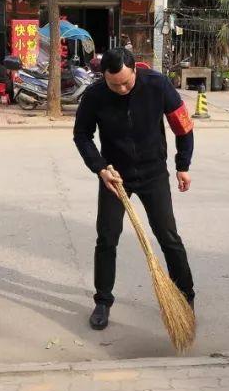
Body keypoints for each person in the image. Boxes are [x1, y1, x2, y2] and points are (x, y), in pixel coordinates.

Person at [73, 48, 195, 331]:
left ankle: (185, 297)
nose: (121, 89)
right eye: (114, 84)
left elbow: (183, 126)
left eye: (126, 83)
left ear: (135, 71)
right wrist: (100, 168)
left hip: (153, 174)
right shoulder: (94, 95)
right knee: (107, 238)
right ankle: (103, 301)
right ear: (104, 77)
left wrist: (183, 164)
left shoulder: (157, 84)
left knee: (168, 237)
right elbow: (81, 135)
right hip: (115, 177)